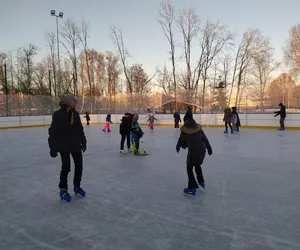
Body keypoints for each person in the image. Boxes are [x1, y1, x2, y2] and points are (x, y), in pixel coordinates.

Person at [48, 94, 87, 202]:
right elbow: (53, 131)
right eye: (74, 101)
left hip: (75, 144)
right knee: (66, 167)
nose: (76, 102)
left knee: (79, 166)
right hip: (63, 145)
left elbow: (80, 129)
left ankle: (77, 186)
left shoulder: (75, 114)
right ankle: (63, 188)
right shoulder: (57, 115)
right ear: (68, 102)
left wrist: (83, 141)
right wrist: (53, 147)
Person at [176, 118, 212, 195]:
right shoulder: (199, 130)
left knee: (189, 167)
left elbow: (181, 140)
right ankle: (201, 182)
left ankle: (192, 187)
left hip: (193, 151)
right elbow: (205, 139)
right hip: (202, 149)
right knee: (197, 165)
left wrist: (178, 147)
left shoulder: (185, 132)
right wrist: (209, 149)